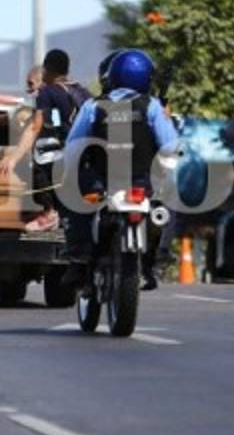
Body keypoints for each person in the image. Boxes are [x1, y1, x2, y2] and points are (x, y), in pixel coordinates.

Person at [59, 48, 180, 287]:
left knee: (71, 196)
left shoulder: (93, 106)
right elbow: (170, 146)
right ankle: (156, 260)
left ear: (112, 76)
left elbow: (73, 148)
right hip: (143, 184)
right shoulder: (152, 106)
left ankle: (79, 259)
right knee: (169, 203)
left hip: (100, 183)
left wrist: (70, 170)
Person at [0, 49, 92, 232]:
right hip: (87, 154)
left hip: (67, 154)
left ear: (46, 69)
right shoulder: (83, 91)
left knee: (39, 152)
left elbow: (34, 127)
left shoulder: (47, 92)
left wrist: (14, 158)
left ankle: (50, 213)